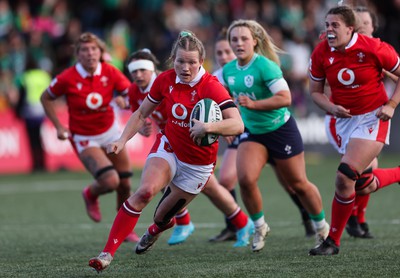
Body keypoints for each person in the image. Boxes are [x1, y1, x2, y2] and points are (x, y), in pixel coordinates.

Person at [88, 30, 251, 273]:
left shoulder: (211, 87)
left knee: (161, 218)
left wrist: (209, 127)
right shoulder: (164, 79)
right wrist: (122, 140)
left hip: (198, 166)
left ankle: (155, 229)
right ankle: (106, 255)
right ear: (172, 59)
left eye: (192, 62)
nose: (185, 67)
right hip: (169, 148)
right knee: (144, 192)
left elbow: (237, 124)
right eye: (180, 61)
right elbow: (141, 113)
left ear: (201, 62)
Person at [115, 48, 253, 247]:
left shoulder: (170, 82)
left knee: (209, 187)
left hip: (192, 143)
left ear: (152, 69)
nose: (138, 75)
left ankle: (235, 223)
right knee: (163, 182)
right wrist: (141, 129)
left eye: (142, 70)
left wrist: (218, 126)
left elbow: (211, 108)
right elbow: (141, 115)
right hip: (171, 141)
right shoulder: (134, 91)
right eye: (134, 71)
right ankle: (185, 222)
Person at [222, 19, 329, 253]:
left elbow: (285, 98)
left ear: (255, 41)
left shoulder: (266, 66)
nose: (238, 43)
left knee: (298, 184)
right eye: (234, 39)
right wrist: (222, 121)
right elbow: (219, 100)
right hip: (253, 133)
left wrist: (253, 104)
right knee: (246, 180)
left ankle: (322, 229)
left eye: (243, 39)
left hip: (280, 130)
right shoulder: (228, 71)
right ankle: (260, 227)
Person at [308, 5, 400, 256]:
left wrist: (391, 104)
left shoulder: (373, 48)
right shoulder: (321, 52)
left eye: (334, 25)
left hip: (374, 117)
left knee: (344, 175)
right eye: (327, 25)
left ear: (351, 29)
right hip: (344, 120)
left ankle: (333, 242)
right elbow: (314, 93)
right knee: (363, 185)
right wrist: (331, 107)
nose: (329, 30)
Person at [40, 32, 139, 242]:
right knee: (110, 181)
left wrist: (124, 100)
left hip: (111, 132)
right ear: (77, 54)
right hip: (85, 138)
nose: (90, 53)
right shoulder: (67, 77)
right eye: (84, 49)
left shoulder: (110, 72)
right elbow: (46, 97)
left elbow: (129, 93)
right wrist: (58, 126)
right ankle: (91, 194)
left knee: (125, 184)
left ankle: (125, 229)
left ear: (100, 52)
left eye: (94, 49)